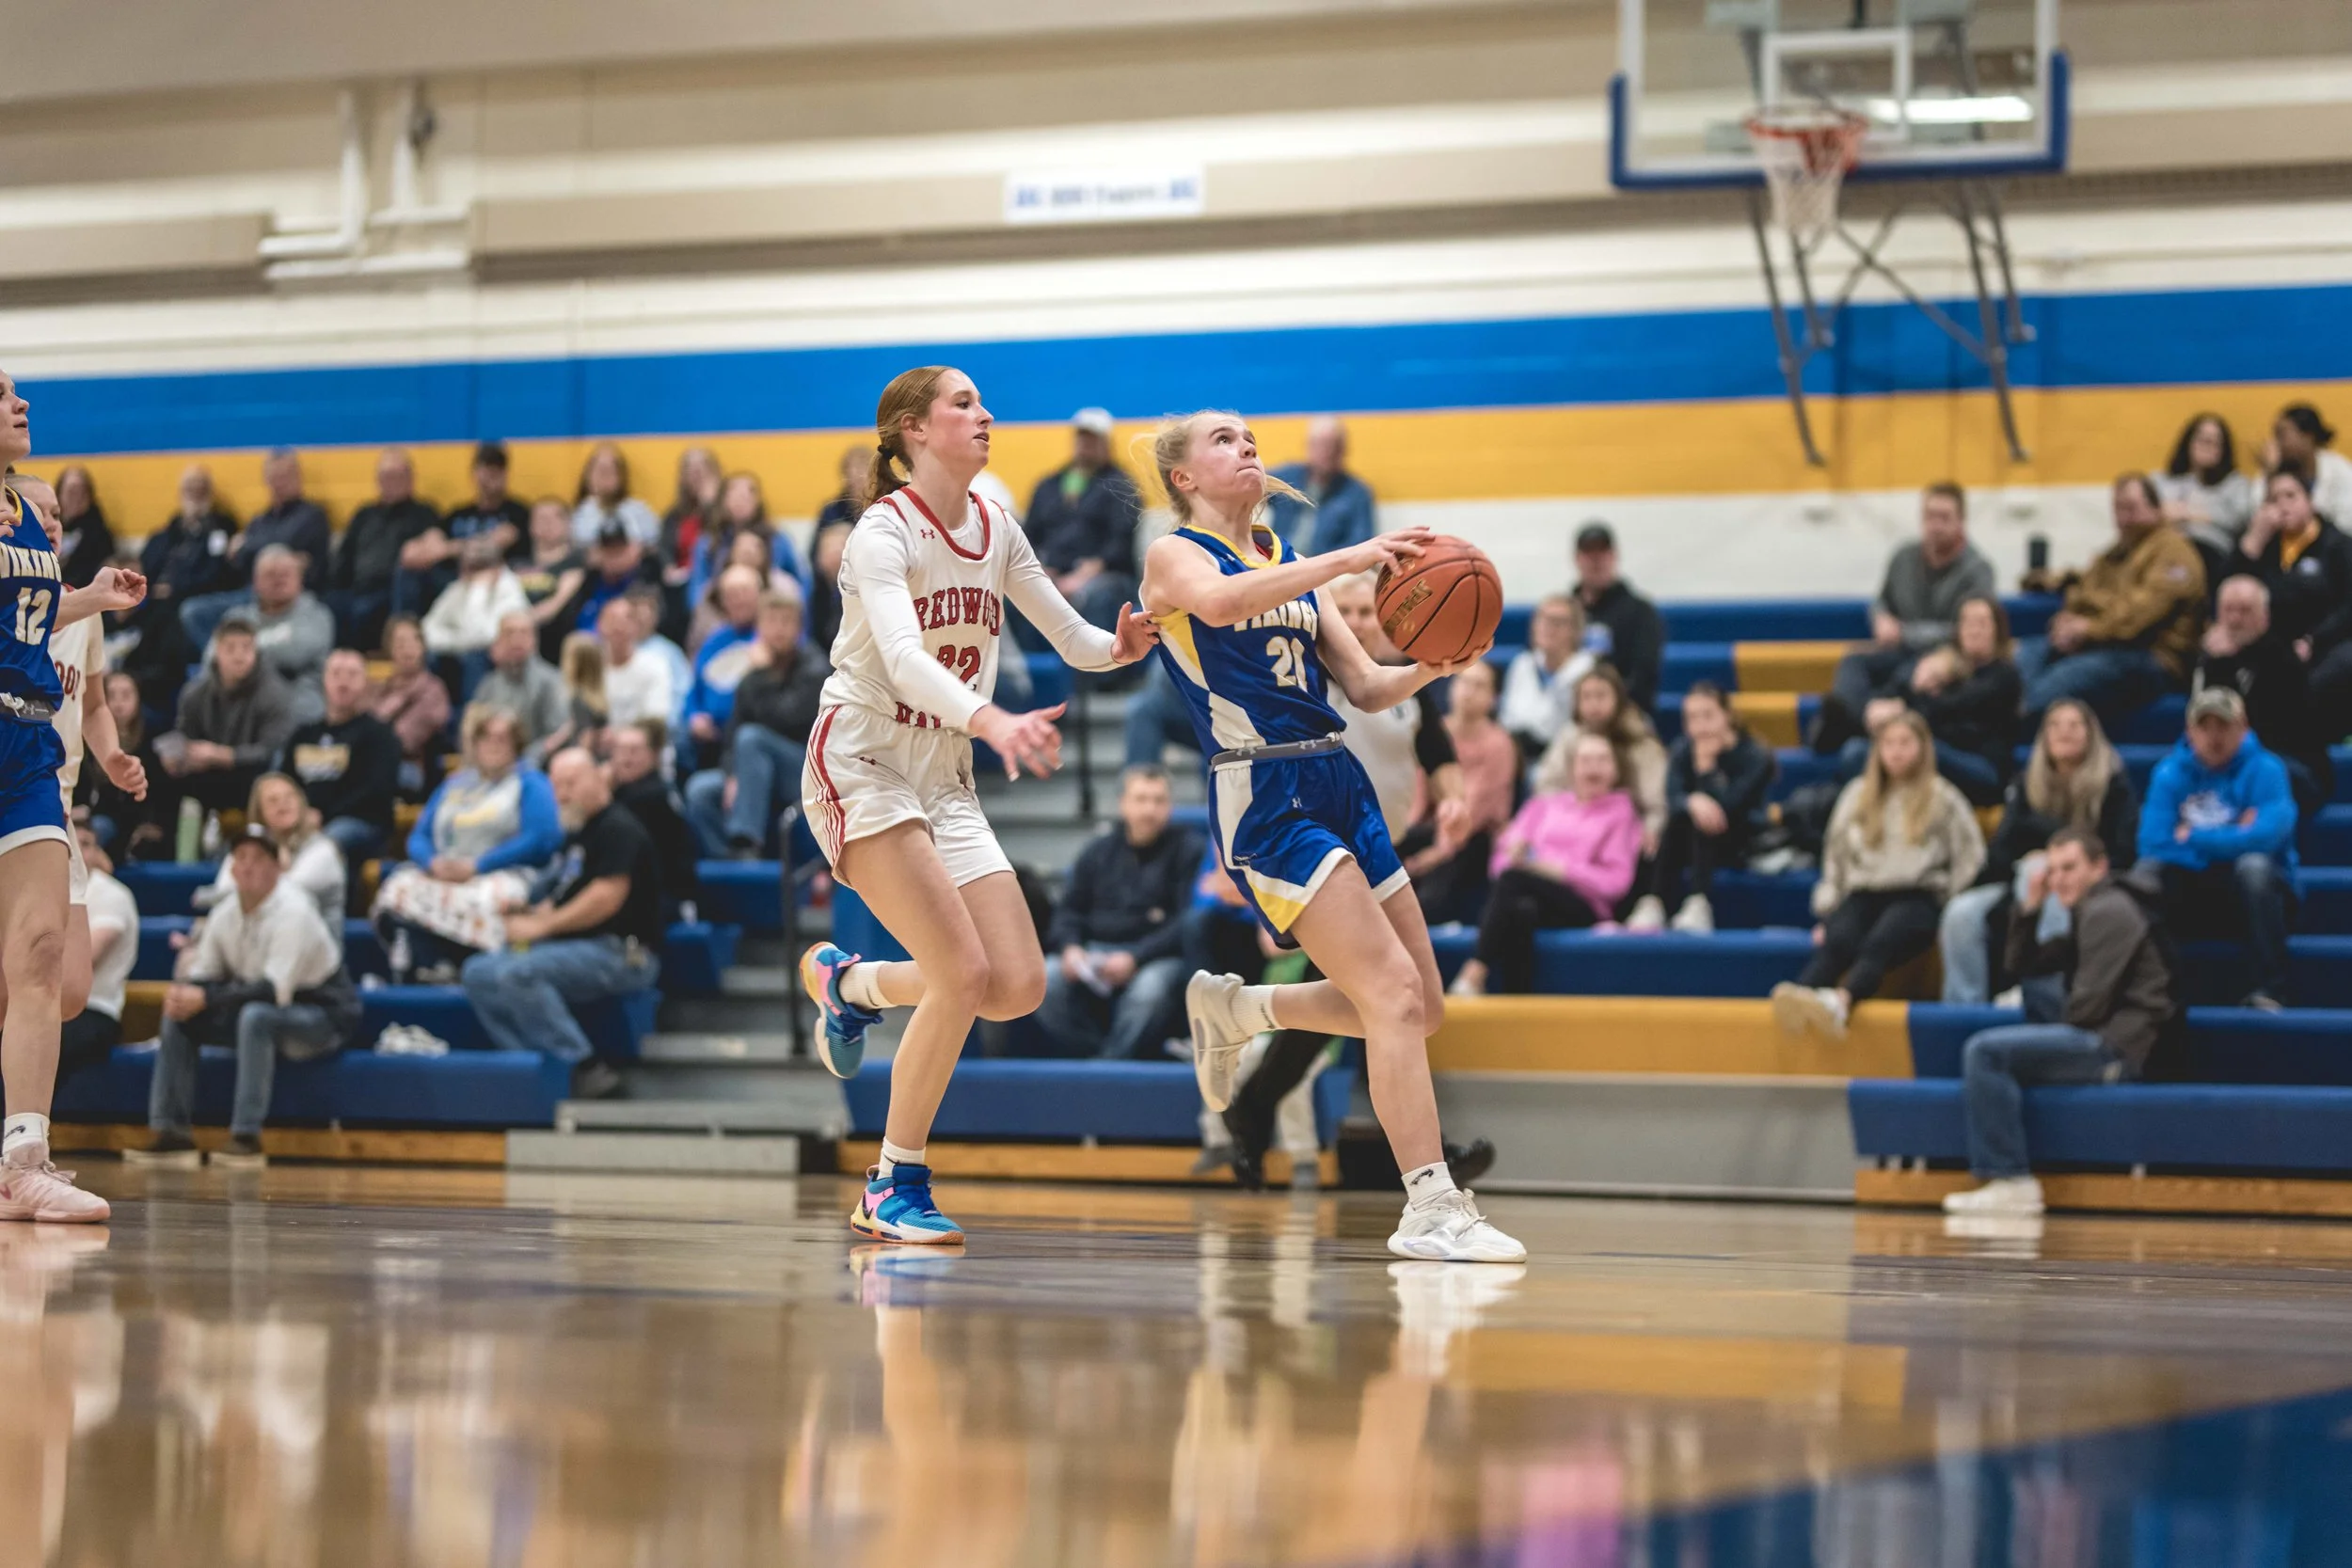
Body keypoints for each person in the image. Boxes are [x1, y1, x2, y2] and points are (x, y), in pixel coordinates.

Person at [1130, 405, 1520, 1261]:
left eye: (1248, 436)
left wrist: (1440, 660)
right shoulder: (1175, 556)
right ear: (1185, 476)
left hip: (1337, 776)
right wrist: (1348, 557)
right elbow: (1223, 604)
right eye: (1223, 440)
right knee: (1388, 995)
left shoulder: (1286, 560)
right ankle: (1429, 1205)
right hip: (1263, 783)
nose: (1247, 446)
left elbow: (1371, 688)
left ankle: (1240, 1007)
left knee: (1422, 1002)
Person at [792, 366, 1157, 1247]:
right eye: (964, 403)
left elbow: (1068, 634)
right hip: (865, 758)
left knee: (1016, 982)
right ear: (915, 429)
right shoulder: (879, 534)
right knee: (960, 972)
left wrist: (1121, 645)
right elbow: (908, 658)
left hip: (943, 773)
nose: (986, 414)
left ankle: (851, 984)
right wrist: (993, 718)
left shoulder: (995, 523)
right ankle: (892, 1180)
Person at [0, 415, 148, 1222]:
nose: (19, 404)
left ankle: (24, 1161)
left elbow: (39, 619)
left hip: (31, 759)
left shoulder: (23, 522)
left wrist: (90, 595)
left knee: (46, 960)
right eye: (3, 394)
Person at [1941, 827, 2178, 1216]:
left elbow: (2086, 1011)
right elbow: (2020, 966)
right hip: (2102, 1034)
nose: (2059, 879)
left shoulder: (2109, 911)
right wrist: (2030, 910)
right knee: (2031, 997)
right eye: (2052, 871)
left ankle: (2010, 1179)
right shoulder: (2087, 910)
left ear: (2099, 868)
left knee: (1985, 1053)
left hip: (2118, 1047)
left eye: (2069, 868)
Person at [126, 825, 359, 1170]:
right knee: (180, 1012)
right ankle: (171, 1134)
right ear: (232, 869)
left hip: (323, 1015)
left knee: (256, 1016)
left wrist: (205, 998)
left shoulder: (295, 910)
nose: (248, 866)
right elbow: (204, 977)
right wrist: (188, 996)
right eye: (241, 858)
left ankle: (246, 1138)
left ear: (276, 868)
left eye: (259, 858)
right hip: (264, 1007)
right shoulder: (225, 913)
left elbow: (272, 989)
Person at [461, 748, 664, 1100]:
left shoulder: (620, 828)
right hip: (576, 947)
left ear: (599, 778)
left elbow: (605, 898)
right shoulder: (577, 833)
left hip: (623, 953)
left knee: (519, 972)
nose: (561, 794)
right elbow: (564, 890)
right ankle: (531, 1065)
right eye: (555, 785)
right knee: (477, 972)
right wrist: (529, 909)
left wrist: (542, 927)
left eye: (570, 783)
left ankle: (583, 1066)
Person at [1772, 710, 1984, 1039]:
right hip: (1865, 891)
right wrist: (1830, 905)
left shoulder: (1942, 796)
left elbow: (1969, 854)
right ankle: (1802, 996)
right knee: (1838, 938)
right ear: (1877, 750)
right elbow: (1836, 856)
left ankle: (1843, 1000)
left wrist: (1950, 900)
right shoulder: (1857, 795)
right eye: (1889, 743)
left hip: (1918, 893)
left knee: (1881, 939)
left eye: (1905, 743)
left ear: (1923, 747)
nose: (1897, 751)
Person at [1939, 699, 2139, 1006]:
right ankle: (1965, 1008)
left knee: (2046, 871)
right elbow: (2003, 849)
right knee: (1961, 912)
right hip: (2020, 882)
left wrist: (2045, 846)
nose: (2064, 732)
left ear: (2091, 734)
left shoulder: (2113, 784)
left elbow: (2122, 852)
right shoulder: (2026, 783)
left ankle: (2046, 991)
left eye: (2075, 725)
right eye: (2055, 725)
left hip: (2093, 885)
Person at [2137, 686, 2297, 1010]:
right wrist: (2236, 834)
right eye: (2204, 727)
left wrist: (2193, 836)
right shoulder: (2168, 773)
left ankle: (2269, 990)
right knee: (2146, 875)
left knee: (2254, 867)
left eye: (2223, 726)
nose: (2213, 736)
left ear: (2243, 728)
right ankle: (2150, 991)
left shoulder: (2268, 770)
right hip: (2194, 891)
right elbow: (2153, 842)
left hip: (2256, 897)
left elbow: (2268, 837)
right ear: (2189, 731)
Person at [1449, 732, 1643, 997]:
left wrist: (1561, 870)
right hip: (1531, 894)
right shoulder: (1542, 806)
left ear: (1615, 769)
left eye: (1602, 760)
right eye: (1586, 760)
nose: (1593, 767)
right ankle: (1517, 1003)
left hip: (1583, 906)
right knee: (1521, 910)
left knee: (1514, 882)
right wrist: (1519, 858)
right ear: (1572, 768)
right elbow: (1500, 865)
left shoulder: (1621, 811)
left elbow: (1616, 883)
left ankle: (1475, 970)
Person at [373, 705, 564, 976]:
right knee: (397, 888)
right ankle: (424, 964)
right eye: (486, 738)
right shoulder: (454, 785)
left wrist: (479, 865)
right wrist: (433, 862)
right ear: (474, 744)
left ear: (516, 744)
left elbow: (542, 837)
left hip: (501, 872)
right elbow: (419, 836)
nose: (494, 746)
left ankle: (467, 964)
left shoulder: (530, 782)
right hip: (445, 871)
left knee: (487, 899)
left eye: (503, 739)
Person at [2016, 473, 2206, 732]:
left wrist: (2087, 628)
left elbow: (2139, 615)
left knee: (2067, 675)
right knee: (2026, 652)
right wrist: (2068, 621)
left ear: (2155, 509)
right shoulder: (2117, 552)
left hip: (2154, 658)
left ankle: (2014, 716)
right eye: (2118, 508)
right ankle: (2007, 708)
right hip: (2106, 645)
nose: (2123, 518)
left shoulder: (2174, 553)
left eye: (2131, 508)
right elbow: (2086, 592)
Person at [1817, 483, 1996, 752]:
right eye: (1929, 516)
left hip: (1946, 657)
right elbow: (1881, 601)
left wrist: (1906, 633)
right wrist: (1881, 618)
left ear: (1961, 522)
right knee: (1854, 661)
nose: (1935, 525)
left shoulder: (1979, 570)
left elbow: (1966, 630)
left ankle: (1852, 725)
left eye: (1944, 518)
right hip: (1899, 649)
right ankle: (1861, 721)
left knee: (1903, 679)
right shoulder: (1903, 556)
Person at [1036, 765, 1200, 1060]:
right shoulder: (1097, 851)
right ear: (1123, 803)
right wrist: (1071, 948)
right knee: (1045, 978)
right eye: (1141, 799)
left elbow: (1186, 922)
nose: (1149, 809)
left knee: (1149, 991)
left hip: (1156, 955)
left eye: (1158, 800)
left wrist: (1136, 958)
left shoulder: (1189, 850)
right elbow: (1068, 910)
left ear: (1170, 806)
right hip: (1094, 951)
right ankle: (1097, 1058)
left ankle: (1112, 1064)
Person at [683, 588, 829, 858]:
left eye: (786, 622)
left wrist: (761, 673)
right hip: (756, 773)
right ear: (759, 627)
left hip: (805, 770)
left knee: (752, 738)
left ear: (799, 628)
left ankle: (746, 841)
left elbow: (787, 719)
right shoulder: (752, 675)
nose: (779, 630)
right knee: (700, 790)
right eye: (772, 622)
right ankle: (731, 866)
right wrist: (731, 775)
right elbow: (732, 733)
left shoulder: (814, 669)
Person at [1836, 595, 2021, 806]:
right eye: (1967, 623)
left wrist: (1903, 708)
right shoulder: (1947, 668)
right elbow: (1914, 702)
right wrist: (1915, 684)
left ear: (1998, 630)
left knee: (1908, 747)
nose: (1973, 630)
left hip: (1983, 768)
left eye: (1981, 623)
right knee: (1856, 751)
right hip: (1938, 752)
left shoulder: (2004, 675)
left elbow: (1952, 709)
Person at [1627, 682, 1774, 933]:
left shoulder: (1755, 755)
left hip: (1741, 837)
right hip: (1687, 836)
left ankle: (1699, 903)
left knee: (1702, 818)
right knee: (1680, 821)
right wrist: (1691, 801)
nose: (1700, 726)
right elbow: (1672, 798)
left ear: (1727, 715)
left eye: (1708, 715)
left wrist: (1705, 772)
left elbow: (1732, 805)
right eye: (1692, 718)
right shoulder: (1682, 749)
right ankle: (1654, 902)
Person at [2196, 574, 2329, 818]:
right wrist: (2217, 665)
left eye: (2245, 611)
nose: (2235, 619)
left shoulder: (2283, 661)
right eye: (2228, 610)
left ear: (2264, 617)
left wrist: (2223, 666)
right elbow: (2204, 724)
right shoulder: (2210, 659)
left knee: (2261, 771)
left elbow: (2258, 729)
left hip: (2290, 763)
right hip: (2231, 763)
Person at [180, 447, 332, 649]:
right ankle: (226, 663)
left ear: (298, 477)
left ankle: (244, 659)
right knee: (192, 612)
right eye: (274, 477)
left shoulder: (312, 516)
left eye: (286, 476)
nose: (280, 482)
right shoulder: (260, 520)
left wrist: (250, 545)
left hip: (293, 598)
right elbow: (238, 559)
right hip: (251, 595)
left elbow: (275, 551)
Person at [1409, 658, 1518, 927]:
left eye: (1479, 686)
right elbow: (1418, 793)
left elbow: (1476, 806)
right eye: (1464, 682)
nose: (1469, 692)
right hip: (1433, 824)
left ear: (1493, 699)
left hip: (1474, 835)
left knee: (1440, 879)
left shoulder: (1499, 744)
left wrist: (1436, 853)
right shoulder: (1436, 731)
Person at [155, 613, 297, 816]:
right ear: (217, 651)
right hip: (209, 774)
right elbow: (185, 733)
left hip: (252, 776)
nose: (239, 656)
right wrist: (178, 756)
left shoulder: (275, 693)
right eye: (230, 648)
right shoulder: (195, 692)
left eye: (246, 648)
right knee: (162, 775)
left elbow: (272, 751)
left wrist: (224, 755)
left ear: (256, 651)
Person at [1019, 406, 1143, 633]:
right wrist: (1041, 570)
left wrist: (1085, 574)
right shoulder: (1049, 485)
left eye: (1093, 439)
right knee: (1012, 597)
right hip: (1051, 572)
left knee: (1098, 595)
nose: (1086, 445)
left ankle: (1099, 664)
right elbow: (1028, 535)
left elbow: (1121, 541)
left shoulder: (1122, 487)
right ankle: (1025, 668)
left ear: (1107, 443)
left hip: (1105, 576)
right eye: (1082, 438)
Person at [123, 465, 238, 709]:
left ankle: (151, 689)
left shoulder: (221, 528)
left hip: (188, 603)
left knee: (169, 618)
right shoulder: (167, 533)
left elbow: (218, 575)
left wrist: (176, 589)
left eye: (201, 487)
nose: (196, 492)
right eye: (190, 487)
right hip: (154, 601)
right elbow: (146, 564)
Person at [283, 648, 402, 868]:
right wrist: (299, 816)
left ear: (366, 684)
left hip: (359, 824)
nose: (343, 682)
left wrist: (321, 816)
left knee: (323, 845)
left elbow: (376, 792)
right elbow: (283, 782)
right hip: (302, 821)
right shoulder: (302, 735)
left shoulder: (380, 735)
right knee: (255, 841)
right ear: (323, 681)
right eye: (336, 674)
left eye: (352, 675)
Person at [199, 772, 346, 934]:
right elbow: (223, 894)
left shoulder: (324, 851)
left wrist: (206, 896)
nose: (283, 804)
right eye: (273, 800)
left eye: (290, 797)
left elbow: (286, 898)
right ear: (259, 812)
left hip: (308, 953)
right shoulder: (247, 848)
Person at [399, 438, 529, 613]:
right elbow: (415, 551)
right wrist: (451, 548)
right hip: (452, 579)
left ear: (506, 473)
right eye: (485, 467)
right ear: (474, 472)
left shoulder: (517, 512)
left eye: (496, 469)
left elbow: (488, 548)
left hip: (494, 578)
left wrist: (449, 548)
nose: (490, 475)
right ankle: (405, 632)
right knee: (408, 573)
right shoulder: (457, 514)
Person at [330, 447, 439, 648]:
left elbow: (435, 546)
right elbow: (344, 557)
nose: (392, 482)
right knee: (328, 604)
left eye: (398, 475)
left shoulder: (423, 513)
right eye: (386, 476)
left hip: (392, 590)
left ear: (410, 478)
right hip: (357, 589)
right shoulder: (364, 514)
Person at [1565, 664, 1668, 867]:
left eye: (1601, 696)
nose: (1594, 704)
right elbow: (1548, 788)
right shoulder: (1568, 739)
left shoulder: (1641, 743)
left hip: (1626, 830)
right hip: (1576, 827)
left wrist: (1651, 828)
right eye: (1587, 697)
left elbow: (1656, 803)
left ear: (1619, 700)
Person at [58, 826, 135, 1098]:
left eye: (86, 844)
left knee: (32, 1040)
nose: (77, 851)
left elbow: (81, 962)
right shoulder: (41, 891)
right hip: (45, 1006)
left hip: (94, 1012)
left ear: (97, 853)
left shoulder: (112, 895)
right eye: (70, 842)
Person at [605, 719, 699, 914]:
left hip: (663, 899)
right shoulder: (625, 791)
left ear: (654, 754)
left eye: (634, 751)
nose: (626, 759)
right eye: (620, 750)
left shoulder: (651, 795)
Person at [232, 545, 335, 723]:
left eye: (286, 574)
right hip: (243, 717)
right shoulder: (237, 618)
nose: (278, 581)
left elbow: (294, 654)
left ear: (299, 579)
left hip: (297, 716)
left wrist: (239, 655)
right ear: (256, 582)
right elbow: (213, 659)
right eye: (270, 575)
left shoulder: (316, 615)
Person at [679, 563, 764, 774]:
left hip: (746, 736)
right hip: (708, 738)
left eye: (745, 592)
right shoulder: (714, 641)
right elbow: (694, 690)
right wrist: (695, 716)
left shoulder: (770, 637)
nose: (738, 600)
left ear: (760, 595)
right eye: (731, 595)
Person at [1571, 522, 1665, 712]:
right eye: (1589, 553)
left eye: (1602, 552)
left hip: (1623, 716)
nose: (1595, 560)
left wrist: (1607, 710)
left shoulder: (1640, 612)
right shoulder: (1563, 611)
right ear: (1577, 559)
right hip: (1567, 716)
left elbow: (1644, 675)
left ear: (1614, 556)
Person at [1497, 594, 1594, 762]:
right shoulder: (1522, 664)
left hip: (1568, 759)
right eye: (1542, 619)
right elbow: (1507, 717)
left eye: (1558, 622)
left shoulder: (1587, 671)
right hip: (1518, 754)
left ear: (1575, 631)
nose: (1548, 628)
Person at [81, 672, 165, 860]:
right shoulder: (84, 741)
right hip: (95, 818)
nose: (119, 703)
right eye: (111, 696)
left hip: (134, 821)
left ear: (138, 699)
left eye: (126, 695)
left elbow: (159, 794)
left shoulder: (151, 741)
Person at [1265, 416, 1377, 556]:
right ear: (1307, 446)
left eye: (1333, 445)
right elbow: (1251, 488)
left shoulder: (1357, 493)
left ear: (1343, 450)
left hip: (1329, 569)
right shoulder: (1288, 477)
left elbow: (1361, 543)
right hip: (1279, 561)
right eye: (1320, 444)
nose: (1327, 451)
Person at [369, 616, 453, 798]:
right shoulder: (377, 689)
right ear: (389, 648)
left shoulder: (433, 690)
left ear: (423, 647)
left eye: (414, 640)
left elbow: (404, 740)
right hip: (372, 765)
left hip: (408, 767)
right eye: (400, 642)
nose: (408, 648)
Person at [472, 610, 571, 765]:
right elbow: (475, 731)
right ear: (498, 641)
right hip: (493, 767)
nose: (517, 640)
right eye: (509, 633)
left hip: (537, 767)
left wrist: (528, 758)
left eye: (524, 633)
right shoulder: (488, 686)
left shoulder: (551, 682)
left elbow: (560, 732)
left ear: (534, 641)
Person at [2158, 412, 2256, 559]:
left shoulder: (2235, 484)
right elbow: (2147, 513)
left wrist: (2189, 512)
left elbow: (2239, 520)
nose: (2207, 446)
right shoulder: (2161, 479)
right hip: (2164, 548)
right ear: (2188, 442)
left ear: (2223, 450)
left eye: (2215, 442)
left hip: (2210, 549)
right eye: (2202, 439)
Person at [421, 534, 529, 667]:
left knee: (476, 657)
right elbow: (426, 629)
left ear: (497, 569)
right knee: (431, 656)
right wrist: (458, 641)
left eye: (476, 568)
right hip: (460, 651)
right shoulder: (460, 586)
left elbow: (481, 637)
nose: (467, 574)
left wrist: (479, 589)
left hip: (500, 662)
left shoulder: (510, 590)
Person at [514, 496, 589, 661]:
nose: (547, 523)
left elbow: (555, 605)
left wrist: (520, 621)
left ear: (568, 524)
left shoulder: (576, 563)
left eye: (554, 517)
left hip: (557, 641)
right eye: (540, 518)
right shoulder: (515, 564)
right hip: (516, 639)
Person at [595, 594, 673, 736]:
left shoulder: (654, 665)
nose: (618, 627)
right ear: (599, 625)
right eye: (612, 621)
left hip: (641, 746)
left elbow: (655, 721)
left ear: (636, 626)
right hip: (600, 749)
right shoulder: (591, 669)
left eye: (624, 621)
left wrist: (617, 735)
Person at [2266, 402, 2352, 528]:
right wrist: (2271, 473)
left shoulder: (2340, 471)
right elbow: (2258, 519)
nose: (2276, 444)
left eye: (2282, 436)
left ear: (2308, 436)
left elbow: (2347, 523)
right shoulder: (2275, 469)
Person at [571, 441, 661, 550]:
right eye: (600, 470)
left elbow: (655, 550)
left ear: (622, 476)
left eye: (611, 470)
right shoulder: (575, 517)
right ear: (588, 476)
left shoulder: (641, 512)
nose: (605, 476)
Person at [51, 465, 114, 588]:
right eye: (72, 491)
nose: (77, 497)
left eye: (82, 491)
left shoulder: (99, 533)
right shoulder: (46, 526)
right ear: (59, 494)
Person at [807, 519, 851, 652]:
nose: (834, 554)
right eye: (828, 548)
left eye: (841, 546)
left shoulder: (863, 594)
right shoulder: (814, 594)